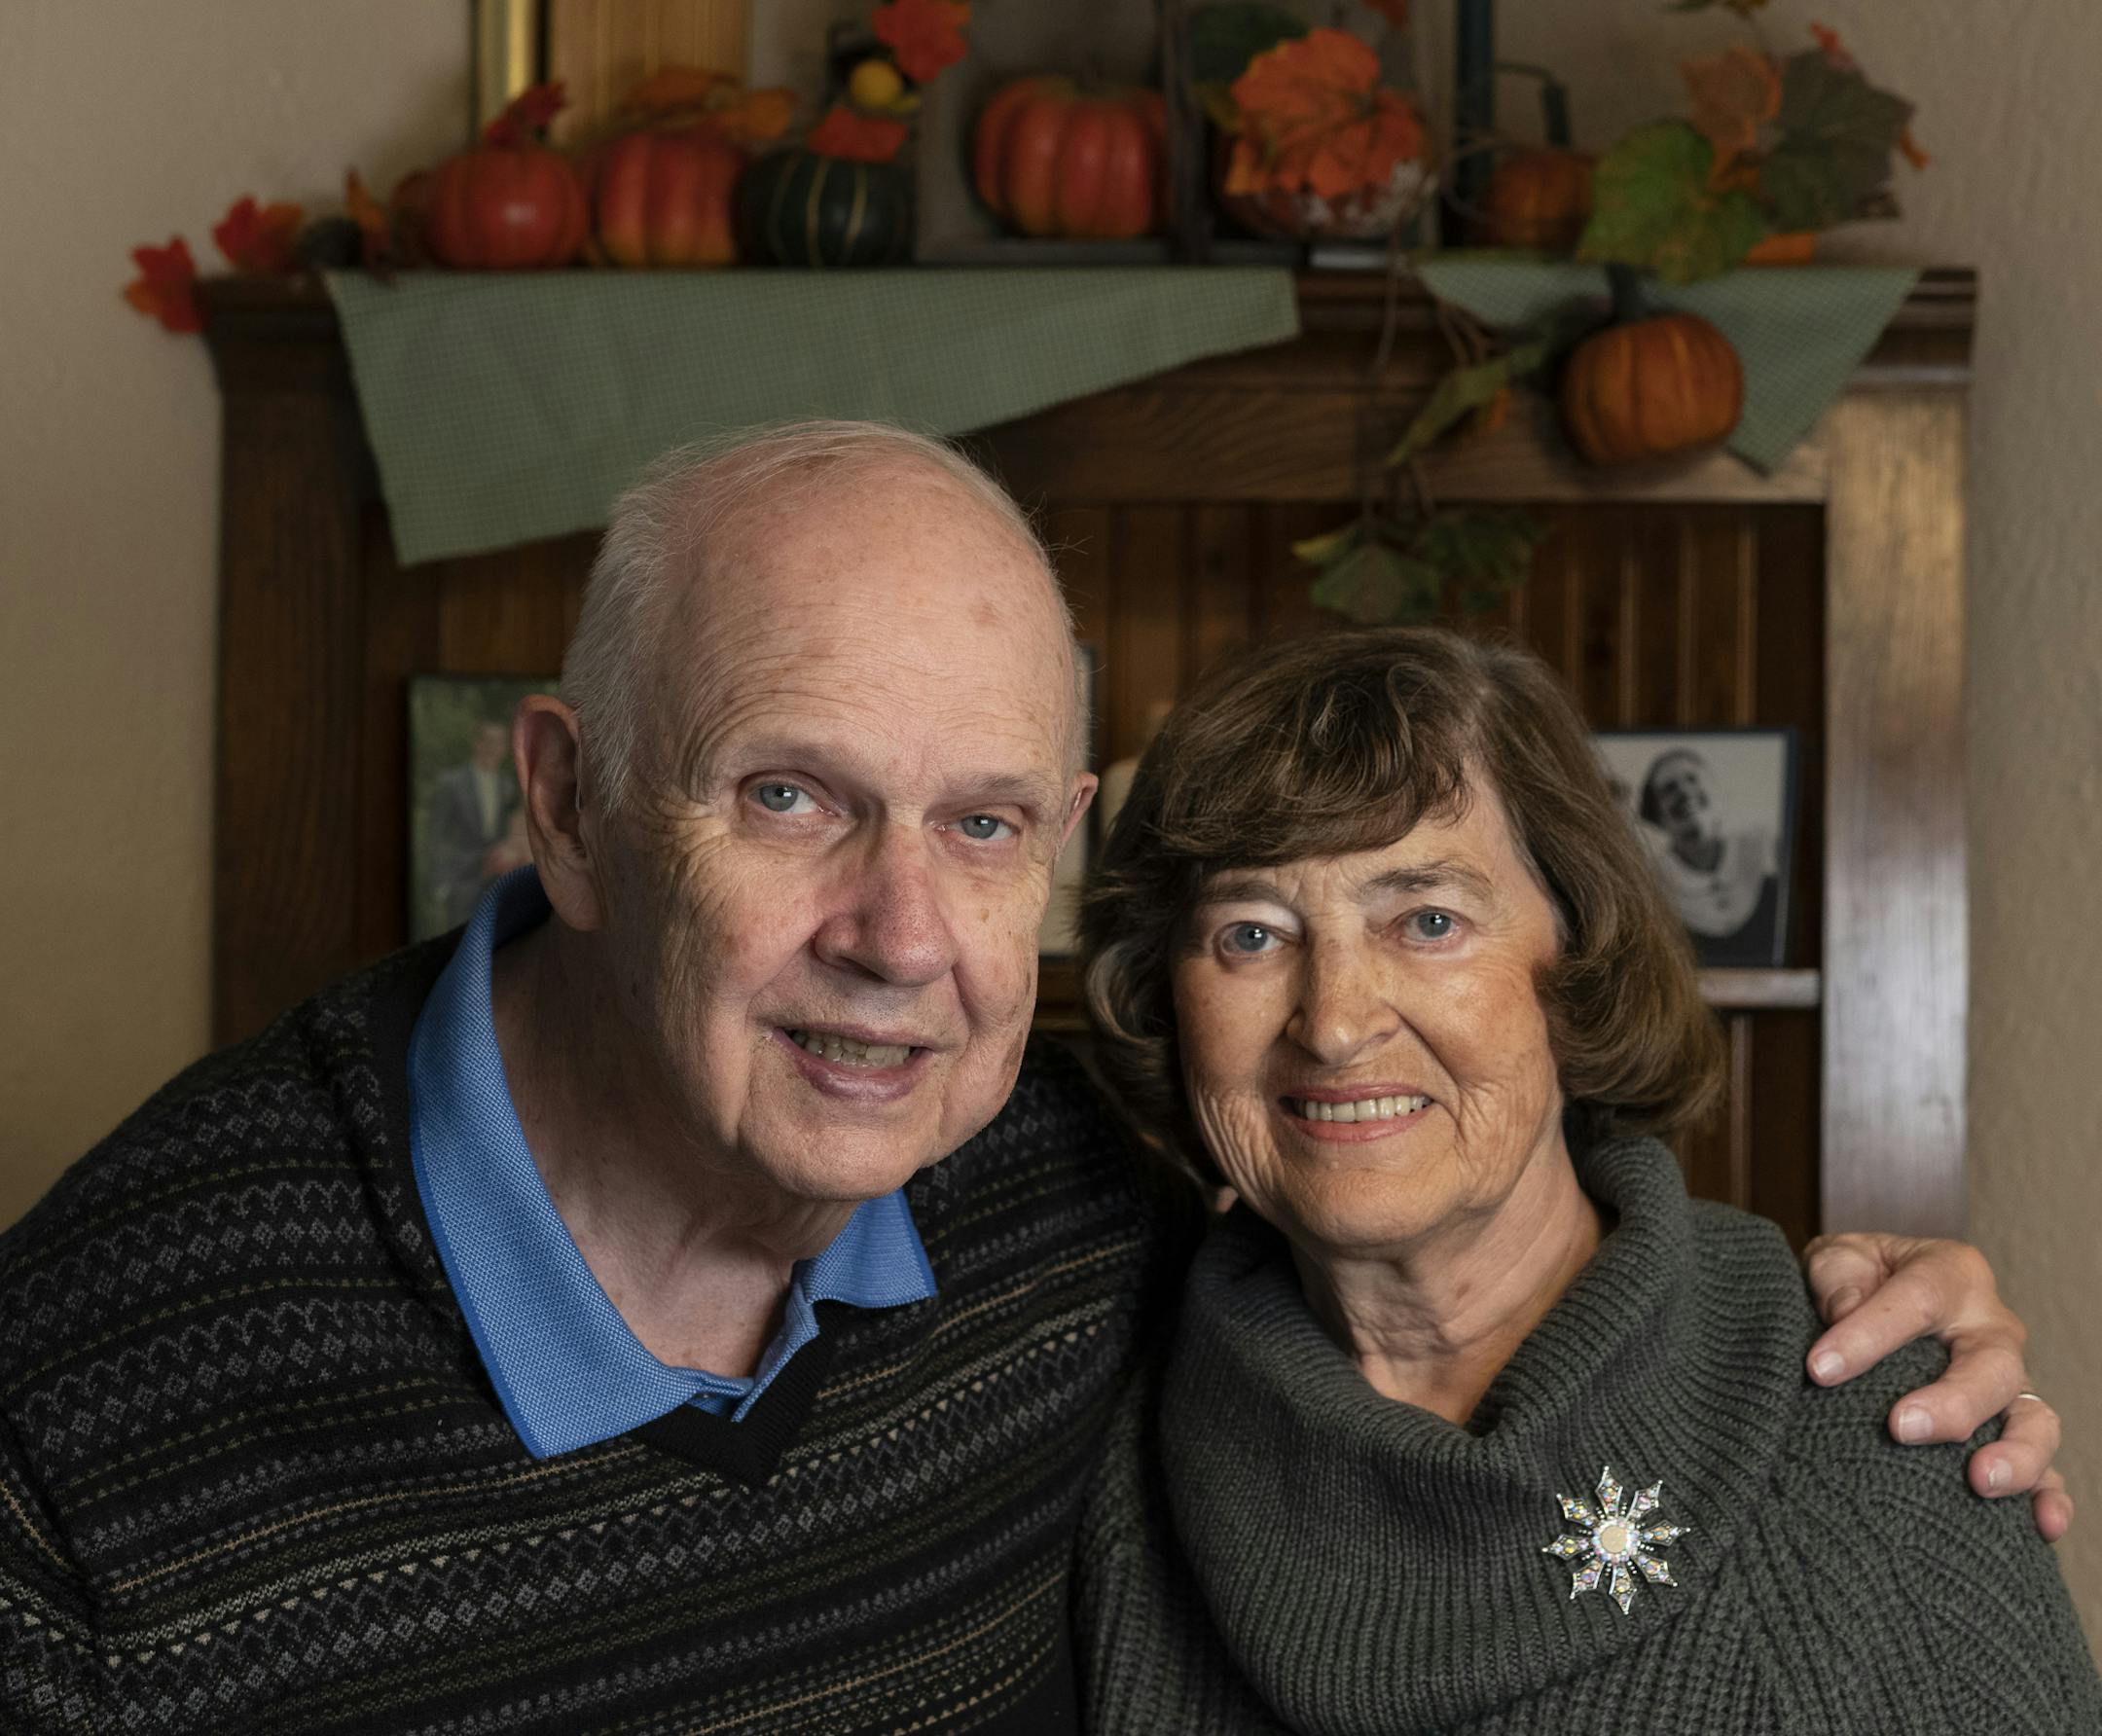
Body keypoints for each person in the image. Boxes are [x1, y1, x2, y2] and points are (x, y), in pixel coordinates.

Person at [0, 426, 2064, 1735]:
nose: (901, 938)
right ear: (568, 804)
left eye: (986, 825)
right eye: (793, 794)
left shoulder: (1047, 1186)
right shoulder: (79, 1444)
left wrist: (1868, 1324)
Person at [1073, 628, 2098, 1733]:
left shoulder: (1881, 1442)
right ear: (1169, 1002)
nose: (1332, 1021)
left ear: (1579, 964)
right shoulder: (1083, 1423)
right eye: (1250, 933)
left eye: (1427, 920)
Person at [1637, 746, 1781, 960]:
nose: (1685, 792)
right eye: (1669, 789)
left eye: (1692, 779)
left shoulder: (1766, 848)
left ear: (1714, 789)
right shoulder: (1650, 883)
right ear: (1656, 814)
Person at [425, 716, 522, 929]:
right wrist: (442, 884)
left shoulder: (507, 786)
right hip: (461, 881)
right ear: (477, 743)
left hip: (497, 882)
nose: (493, 748)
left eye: (499, 742)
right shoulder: (451, 783)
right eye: (488, 741)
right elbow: (435, 835)